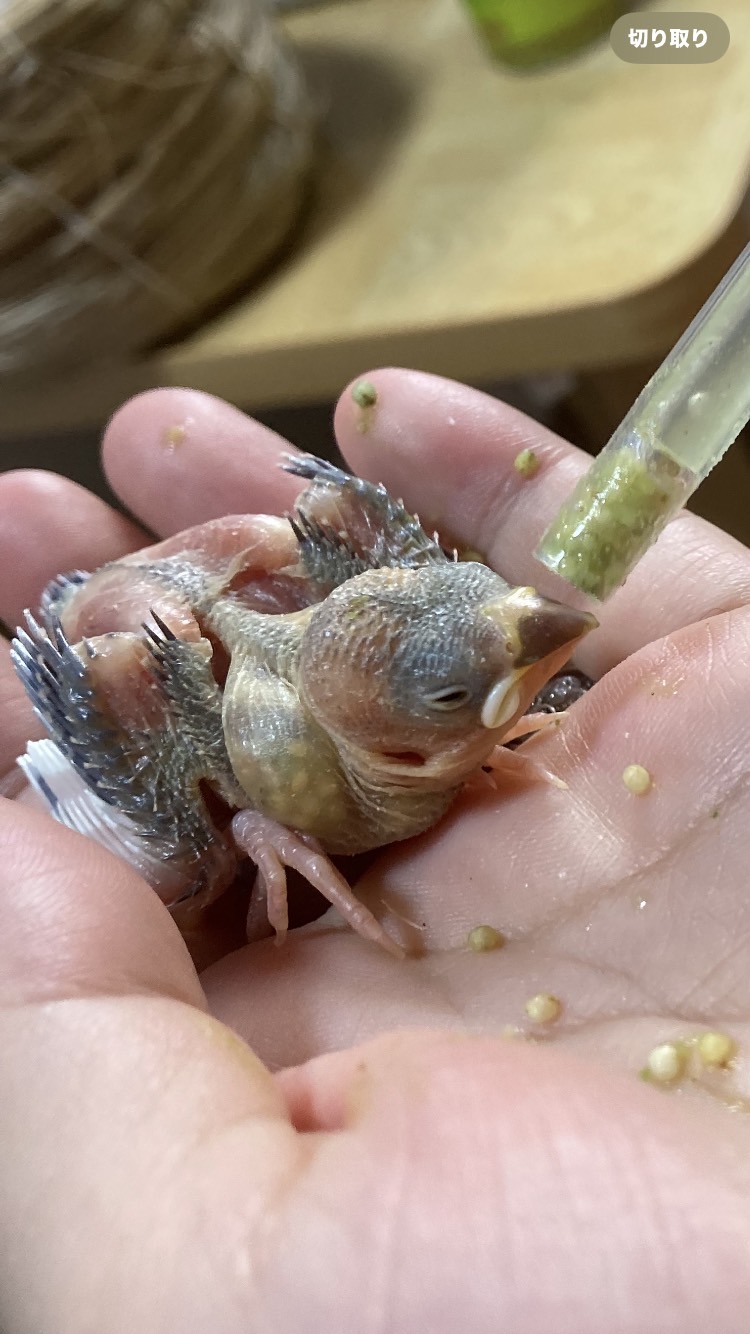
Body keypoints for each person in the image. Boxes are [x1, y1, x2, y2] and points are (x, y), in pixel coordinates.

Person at [1, 368, 749, 1333]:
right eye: (450, 702)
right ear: (401, 752)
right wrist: (244, 822)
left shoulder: (372, 673)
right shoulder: (276, 763)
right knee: (185, 857)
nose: (542, 629)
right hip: (205, 768)